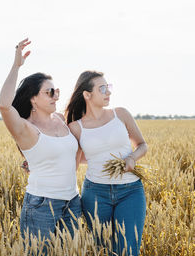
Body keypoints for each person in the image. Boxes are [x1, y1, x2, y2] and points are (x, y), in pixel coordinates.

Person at [0, 38, 82, 250]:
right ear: (33, 99)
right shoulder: (26, 129)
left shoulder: (61, 121)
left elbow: (73, 155)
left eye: (57, 91)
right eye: (49, 92)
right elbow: (4, 105)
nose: (56, 96)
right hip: (42, 206)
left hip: (72, 201)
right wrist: (16, 66)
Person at [65, 71, 148, 256]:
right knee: (103, 250)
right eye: (102, 88)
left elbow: (142, 145)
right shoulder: (76, 127)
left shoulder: (121, 115)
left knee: (128, 250)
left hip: (130, 191)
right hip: (95, 194)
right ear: (87, 95)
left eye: (108, 87)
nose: (108, 92)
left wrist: (132, 158)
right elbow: (72, 162)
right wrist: (36, 165)